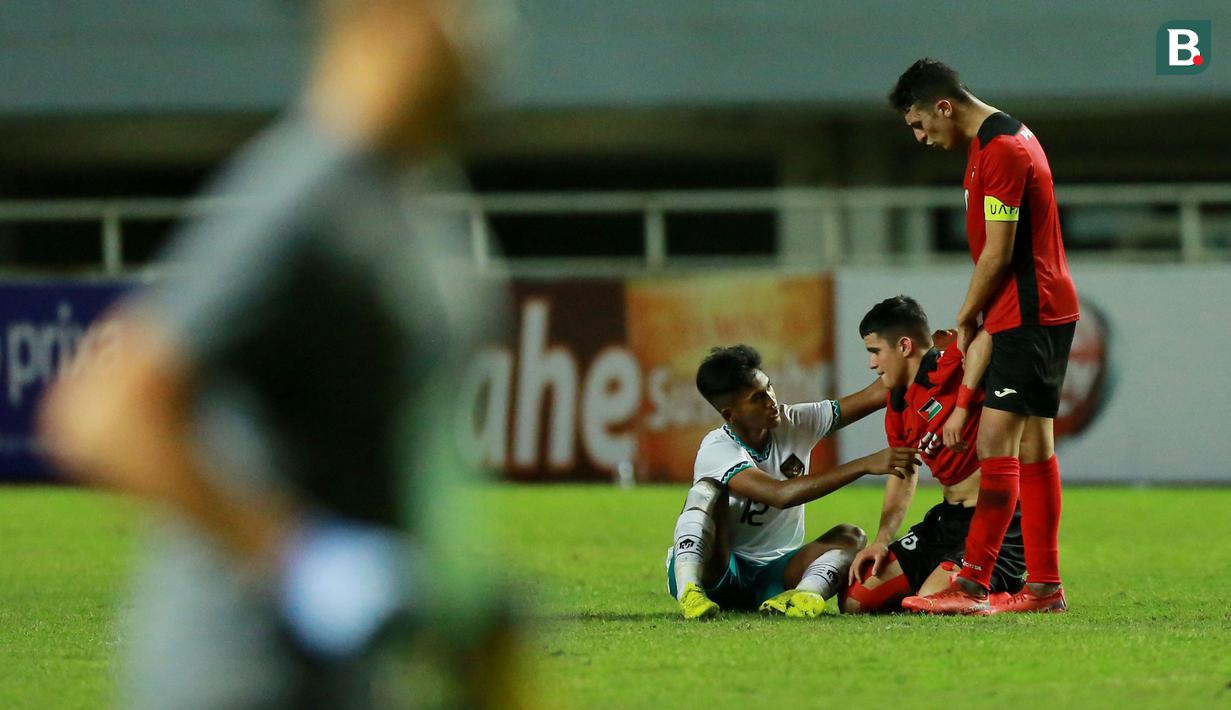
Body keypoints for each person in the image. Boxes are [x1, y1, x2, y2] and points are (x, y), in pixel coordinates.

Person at [39, 1, 521, 707]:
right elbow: (103, 414)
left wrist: (459, 616)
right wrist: (298, 561)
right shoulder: (301, 199)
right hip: (239, 678)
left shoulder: (416, 201)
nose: (490, 27)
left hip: (353, 678)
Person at [888, 58, 1079, 614]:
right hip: (1030, 311)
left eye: (921, 125)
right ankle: (1043, 586)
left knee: (996, 445)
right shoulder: (990, 143)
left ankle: (972, 585)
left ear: (943, 106)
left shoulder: (1004, 150)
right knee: (1034, 446)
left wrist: (969, 316)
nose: (922, 138)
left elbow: (998, 252)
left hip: (1026, 312)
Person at [666, 344, 920, 620]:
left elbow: (875, 394)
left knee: (851, 537)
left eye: (769, 388)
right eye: (757, 398)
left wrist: (923, 354)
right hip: (720, 570)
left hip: (775, 574)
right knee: (706, 490)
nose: (771, 401)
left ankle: (804, 596)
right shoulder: (717, 448)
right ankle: (690, 590)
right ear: (730, 414)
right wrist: (864, 465)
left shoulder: (794, 420)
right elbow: (779, 494)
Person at [842, 296, 1026, 615]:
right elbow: (904, 472)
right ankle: (945, 581)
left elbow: (993, 330)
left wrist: (965, 401)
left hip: (997, 520)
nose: (872, 364)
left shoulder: (950, 362)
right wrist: (882, 540)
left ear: (903, 346)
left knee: (932, 604)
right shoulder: (898, 404)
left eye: (875, 352)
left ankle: (1013, 594)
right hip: (947, 521)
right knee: (858, 600)